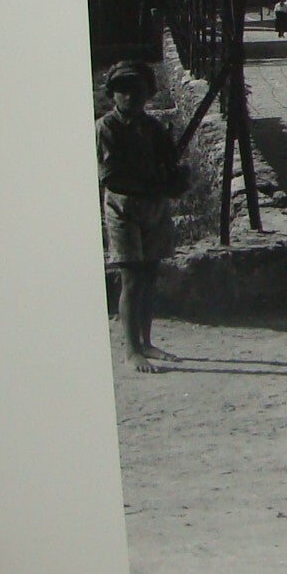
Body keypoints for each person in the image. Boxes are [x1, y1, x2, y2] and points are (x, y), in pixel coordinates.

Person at [96, 59, 188, 373]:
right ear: (112, 94)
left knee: (149, 275)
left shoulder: (152, 127)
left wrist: (176, 178)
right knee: (132, 279)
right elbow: (112, 178)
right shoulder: (107, 127)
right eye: (123, 91)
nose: (130, 97)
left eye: (137, 91)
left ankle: (147, 342)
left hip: (153, 207)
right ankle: (131, 350)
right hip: (124, 208)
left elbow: (169, 163)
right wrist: (158, 183)